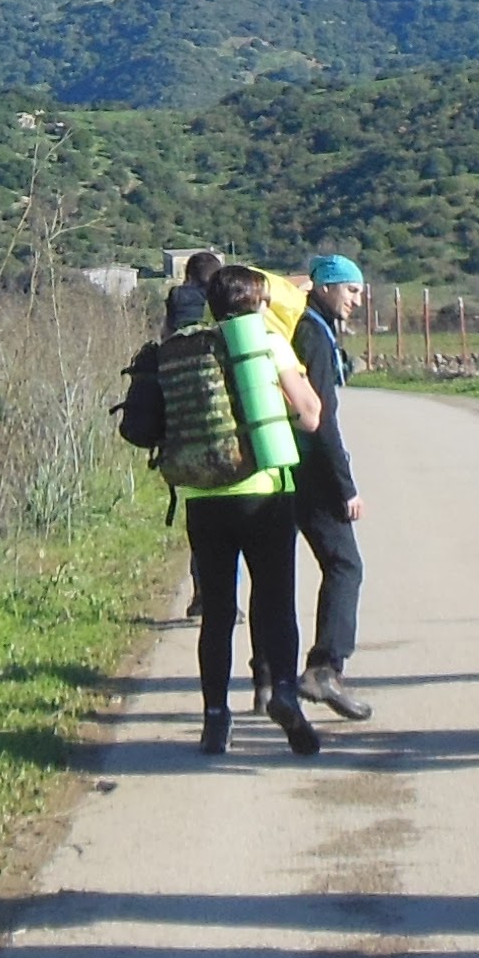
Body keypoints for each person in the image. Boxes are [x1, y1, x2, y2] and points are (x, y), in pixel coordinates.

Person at [172, 259, 331, 759]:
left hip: (203, 498)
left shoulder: (190, 348)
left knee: (217, 612)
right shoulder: (267, 341)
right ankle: (283, 691)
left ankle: (215, 719)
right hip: (264, 491)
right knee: (275, 599)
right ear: (257, 303)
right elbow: (310, 415)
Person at [289, 254, 375, 719]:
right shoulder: (314, 335)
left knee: (282, 576)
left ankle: (273, 681)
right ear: (324, 286)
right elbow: (321, 421)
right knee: (346, 566)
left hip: (289, 469)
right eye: (350, 290)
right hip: (313, 474)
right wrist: (346, 486)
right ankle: (325, 669)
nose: (356, 300)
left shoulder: (310, 329)